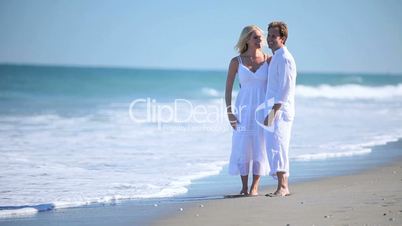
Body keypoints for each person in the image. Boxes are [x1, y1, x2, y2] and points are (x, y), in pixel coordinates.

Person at [225, 25, 270, 196]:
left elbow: (277, 87)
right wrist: (230, 113)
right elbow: (228, 89)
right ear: (247, 40)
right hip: (242, 109)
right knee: (242, 146)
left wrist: (274, 112)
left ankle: (255, 187)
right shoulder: (236, 62)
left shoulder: (269, 60)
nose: (260, 40)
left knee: (260, 146)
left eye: (260, 37)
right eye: (255, 38)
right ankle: (244, 187)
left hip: (263, 109)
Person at [263, 21, 297, 197]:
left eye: (273, 36)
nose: (269, 39)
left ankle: (283, 187)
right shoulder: (276, 56)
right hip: (273, 109)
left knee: (279, 145)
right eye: (268, 35)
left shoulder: (285, 58)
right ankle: (281, 186)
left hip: (280, 111)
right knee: (273, 146)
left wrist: (274, 111)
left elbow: (286, 88)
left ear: (282, 38)